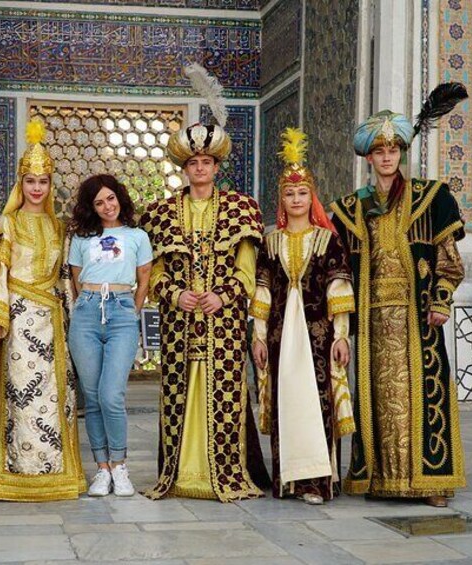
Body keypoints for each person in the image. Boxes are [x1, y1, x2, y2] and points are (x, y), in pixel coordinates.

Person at [330, 83, 468, 507]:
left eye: (393, 150)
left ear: (402, 154)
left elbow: (449, 259)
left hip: (417, 315)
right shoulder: (350, 208)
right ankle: (381, 478)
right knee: (377, 397)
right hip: (372, 318)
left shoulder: (431, 198)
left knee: (423, 393)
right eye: (379, 151)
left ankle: (431, 482)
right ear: (368, 158)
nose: (387, 157)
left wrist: (441, 299)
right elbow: (337, 269)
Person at [140, 64, 270, 502]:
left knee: (226, 395)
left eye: (206, 162)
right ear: (184, 167)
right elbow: (154, 272)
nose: (200, 168)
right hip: (178, 323)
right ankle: (181, 473)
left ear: (216, 166)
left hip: (224, 321)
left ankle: (225, 471)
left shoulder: (240, 209)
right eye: (193, 162)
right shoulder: (160, 213)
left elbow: (247, 270)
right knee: (179, 391)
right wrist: (175, 294)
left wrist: (222, 296)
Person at [0, 118, 85, 501]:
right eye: (30, 181)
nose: (37, 188)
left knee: (58, 397)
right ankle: (18, 474)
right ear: (20, 183)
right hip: (19, 318)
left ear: (50, 184)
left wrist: (75, 319)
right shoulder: (7, 223)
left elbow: (65, 277)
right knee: (21, 395)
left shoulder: (60, 227)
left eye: (43, 181)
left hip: (54, 321)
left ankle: (59, 474)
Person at [251, 128, 355, 505]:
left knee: (318, 404)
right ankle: (289, 482)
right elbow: (262, 292)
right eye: (289, 193)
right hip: (280, 338)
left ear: (312, 197)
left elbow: (338, 289)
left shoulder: (328, 240)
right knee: (287, 405)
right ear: (281, 199)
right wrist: (257, 337)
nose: (296, 199)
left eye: (302, 192)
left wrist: (341, 335)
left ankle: (318, 482)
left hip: (318, 336)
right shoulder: (270, 242)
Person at [67, 174, 153, 497]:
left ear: (120, 197)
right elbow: (76, 280)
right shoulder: (81, 239)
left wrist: (132, 311)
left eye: (111, 198)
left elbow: (143, 279)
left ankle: (120, 465)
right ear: (91, 207)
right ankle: (102, 469)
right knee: (92, 398)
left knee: (111, 394)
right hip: (87, 315)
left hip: (122, 312)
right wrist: (87, 307)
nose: (107, 206)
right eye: (99, 202)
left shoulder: (137, 236)